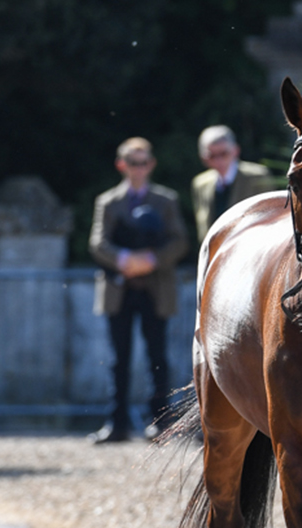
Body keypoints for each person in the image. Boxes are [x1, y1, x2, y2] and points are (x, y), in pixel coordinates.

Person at [88, 137, 189, 443]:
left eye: (144, 162)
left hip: (154, 288)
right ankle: (116, 424)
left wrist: (151, 260)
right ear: (122, 165)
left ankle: (160, 422)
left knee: (157, 357)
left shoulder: (166, 200)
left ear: (151, 164)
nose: (139, 168)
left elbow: (180, 241)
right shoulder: (108, 201)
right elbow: (97, 242)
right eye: (133, 162)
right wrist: (124, 260)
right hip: (119, 288)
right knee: (118, 358)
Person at [190, 125, 272, 245]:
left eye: (223, 154)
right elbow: (203, 227)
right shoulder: (200, 183)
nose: (218, 161)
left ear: (235, 151)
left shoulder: (257, 177)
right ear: (203, 157)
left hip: (252, 249)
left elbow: (269, 217)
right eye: (212, 155)